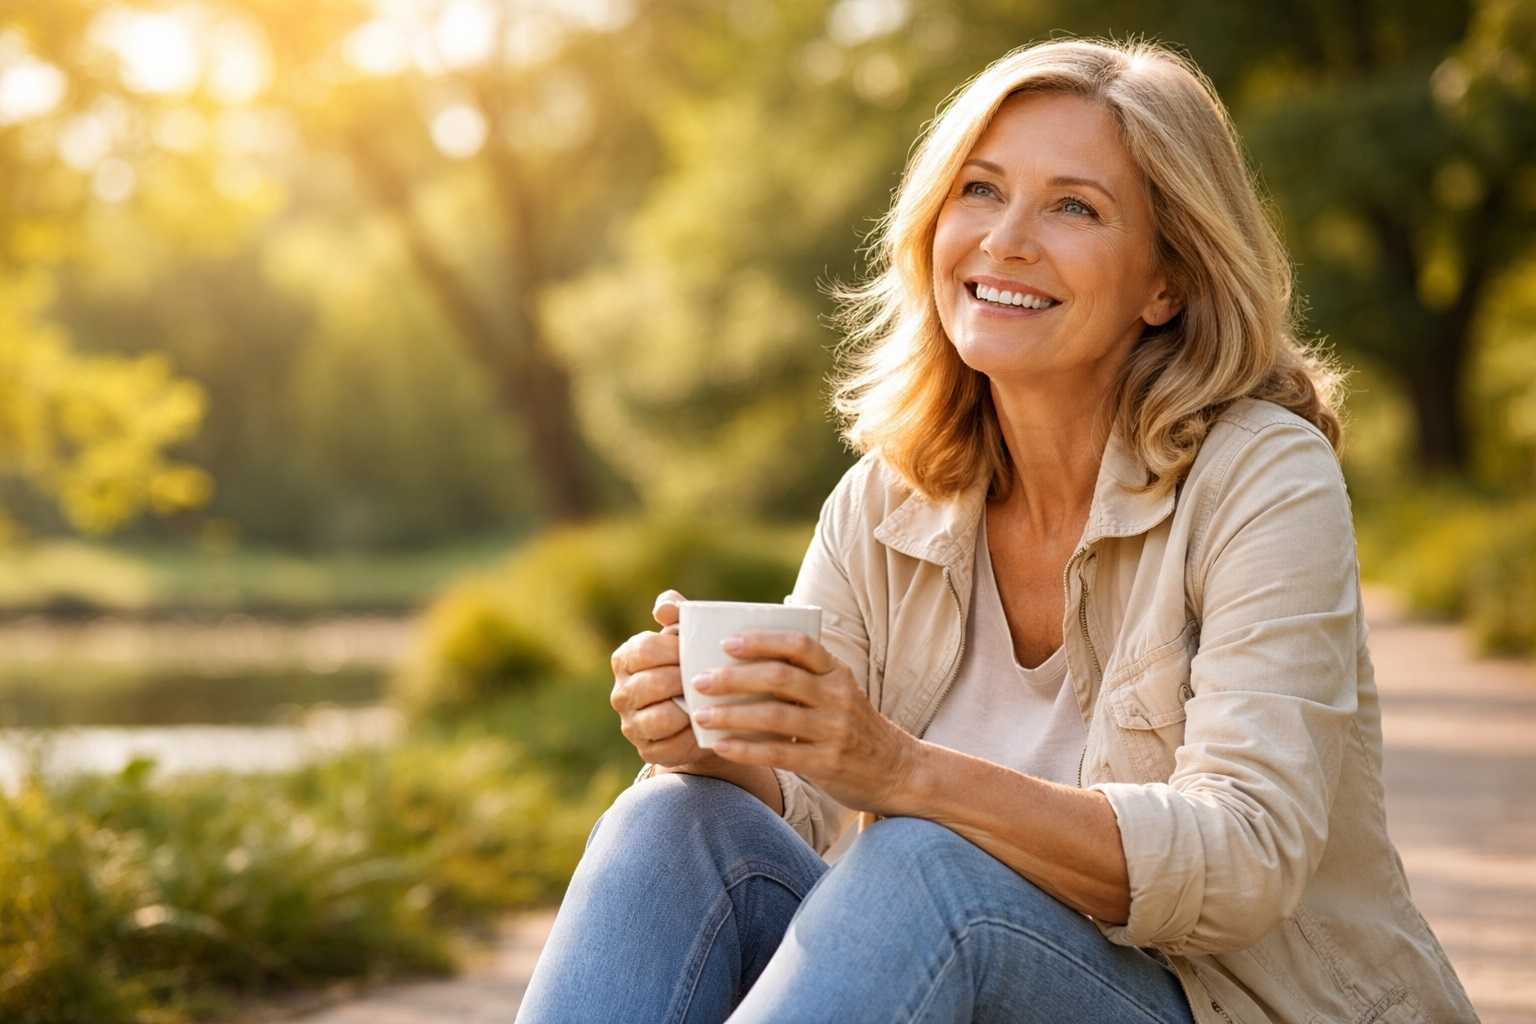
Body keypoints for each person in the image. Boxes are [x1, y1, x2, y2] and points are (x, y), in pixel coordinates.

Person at [515, 36, 1479, 1024]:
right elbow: (804, 797)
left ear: (1168, 281)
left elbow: (1244, 856)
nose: (1005, 239)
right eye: (979, 189)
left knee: (925, 858)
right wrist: (720, 736)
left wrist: (904, 772)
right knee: (674, 824)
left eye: (1075, 206)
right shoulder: (885, 501)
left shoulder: (1264, 476)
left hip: (1231, 1007)